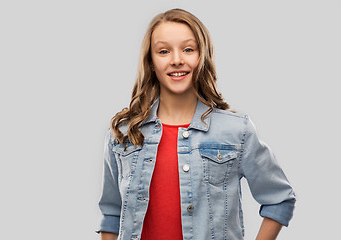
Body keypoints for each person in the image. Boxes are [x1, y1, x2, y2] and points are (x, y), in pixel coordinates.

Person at [96, 8, 296, 240]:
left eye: (188, 49)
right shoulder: (123, 134)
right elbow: (111, 214)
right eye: (163, 51)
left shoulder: (236, 131)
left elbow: (279, 199)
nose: (177, 60)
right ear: (150, 61)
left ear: (202, 56)